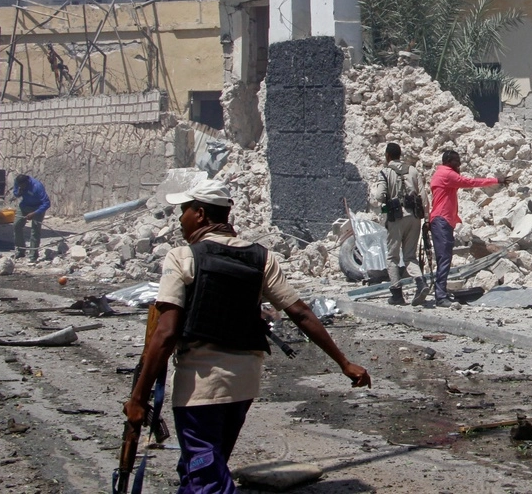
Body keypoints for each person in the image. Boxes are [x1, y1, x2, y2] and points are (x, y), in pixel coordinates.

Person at [122, 179, 371, 491]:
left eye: (184, 210)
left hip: (201, 386)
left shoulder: (182, 257)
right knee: (202, 466)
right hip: (243, 384)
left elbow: (166, 332)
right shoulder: (261, 257)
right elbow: (301, 312)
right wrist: (344, 363)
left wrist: (138, 398)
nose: (179, 217)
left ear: (199, 214)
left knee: (205, 480)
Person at [428, 149, 503, 308]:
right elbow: (469, 182)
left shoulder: (441, 173)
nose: (459, 164)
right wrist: (496, 180)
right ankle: (440, 296)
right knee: (444, 258)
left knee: (444, 257)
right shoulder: (447, 174)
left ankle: (440, 292)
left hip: (442, 220)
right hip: (442, 220)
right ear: (448, 161)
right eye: (456, 161)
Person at [371, 143, 430, 307]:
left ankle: (397, 293)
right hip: (414, 217)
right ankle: (420, 283)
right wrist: (426, 218)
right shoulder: (412, 170)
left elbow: (380, 196)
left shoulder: (385, 172)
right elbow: (423, 195)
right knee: (410, 255)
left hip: (396, 218)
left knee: (392, 257)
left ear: (387, 156)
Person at [13, 174, 50, 261]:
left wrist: (34, 213)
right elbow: (15, 193)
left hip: (37, 208)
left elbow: (46, 203)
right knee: (16, 225)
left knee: (35, 230)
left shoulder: (37, 186)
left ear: (27, 182)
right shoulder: (17, 182)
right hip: (24, 205)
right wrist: (19, 192)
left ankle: (33, 255)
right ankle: (20, 250)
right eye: (19, 185)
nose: (21, 186)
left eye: (22, 185)